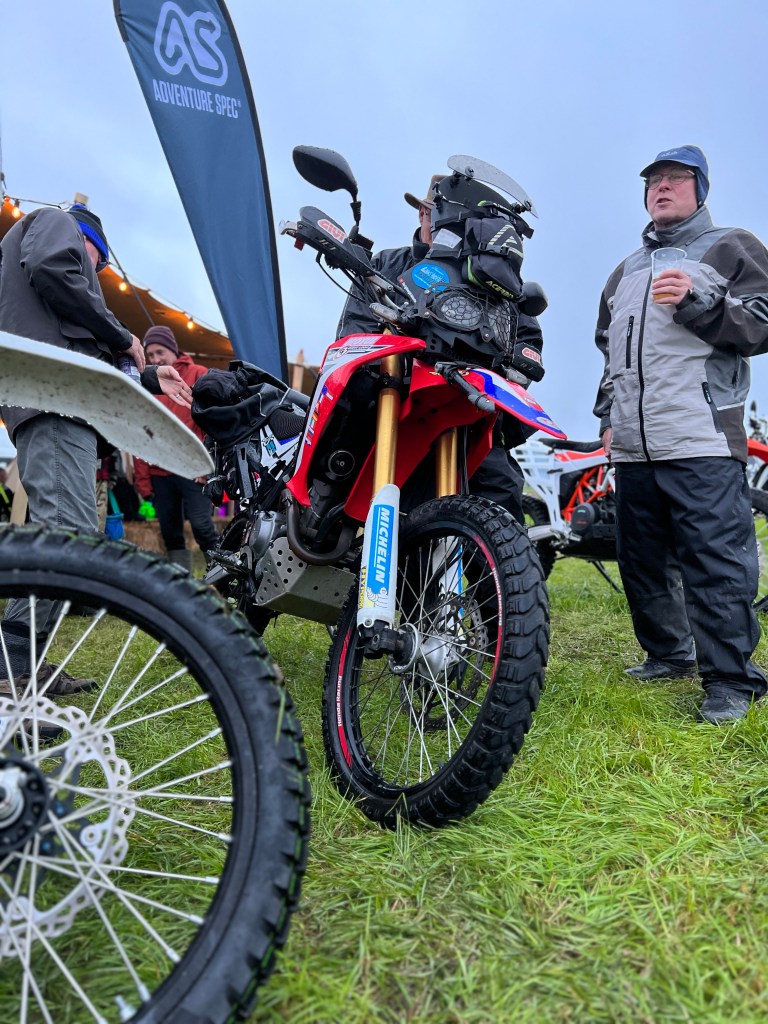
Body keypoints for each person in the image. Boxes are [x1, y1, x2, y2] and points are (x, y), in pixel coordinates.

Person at [593, 144, 768, 725]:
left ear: (701, 189)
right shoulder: (624, 272)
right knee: (641, 559)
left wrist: (698, 304)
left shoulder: (732, 247)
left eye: (675, 178)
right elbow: (609, 351)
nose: (661, 187)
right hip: (633, 446)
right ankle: (670, 654)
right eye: (653, 181)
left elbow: (763, 320)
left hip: (702, 436)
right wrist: (607, 417)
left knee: (715, 561)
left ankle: (732, 682)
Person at [0, 203, 192, 696]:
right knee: (69, 535)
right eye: (98, 261)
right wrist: (121, 333)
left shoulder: (51, 305)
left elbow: (89, 350)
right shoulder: (56, 223)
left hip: (61, 400)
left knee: (65, 535)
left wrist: (148, 375)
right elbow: (54, 269)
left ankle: (19, 664)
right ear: (91, 240)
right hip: (56, 400)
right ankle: (9, 669)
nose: (98, 272)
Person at [337, 174, 543, 524]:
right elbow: (354, 335)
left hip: (465, 410)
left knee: (501, 490)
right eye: (440, 213)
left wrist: (518, 360)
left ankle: (503, 561)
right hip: (387, 404)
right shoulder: (385, 265)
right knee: (336, 466)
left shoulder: (491, 280)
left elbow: (527, 339)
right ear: (423, 212)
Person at [133, 325, 219, 571]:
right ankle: (181, 582)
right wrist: (143, 481)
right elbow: (141, 432)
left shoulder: (198, 374)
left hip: (194, 468)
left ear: (173, 349)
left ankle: (224, 579)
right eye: (150, 355)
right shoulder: (146, 383)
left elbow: (213, 423)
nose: (156, 359)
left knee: (202, 526)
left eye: (160, 352)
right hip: (160, 472)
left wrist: (209, 465)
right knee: (170, 532)